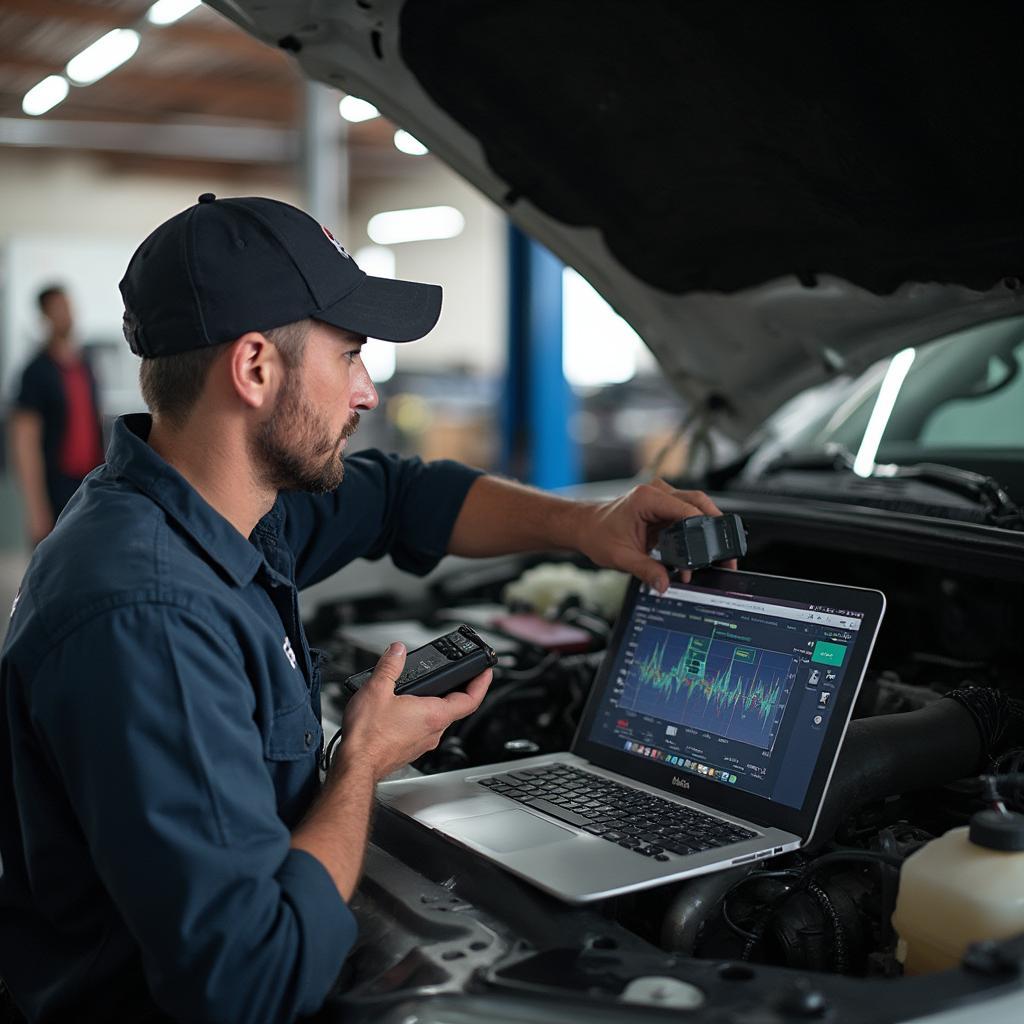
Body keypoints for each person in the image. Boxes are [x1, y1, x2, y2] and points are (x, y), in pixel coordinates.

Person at [0, 194, 730, 1024]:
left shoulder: (214, 501)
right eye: (348, 356)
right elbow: (250, 983)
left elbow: (401, 498)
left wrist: (587, 524)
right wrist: (361, 766)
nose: (367, 391)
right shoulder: (149, 616)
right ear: (253, 368)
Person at [8, 284, 105, 546]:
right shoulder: (36, 372)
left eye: (68, 307)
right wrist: (35, 506)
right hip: (54, 485)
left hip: (88, 481)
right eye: (58, 308)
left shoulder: (86, 364)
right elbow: (24, 441)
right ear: (45, 316)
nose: (67, 314)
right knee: (53, 569)